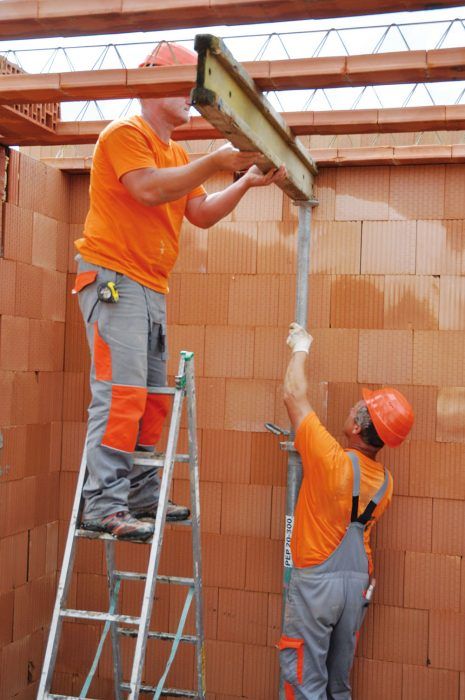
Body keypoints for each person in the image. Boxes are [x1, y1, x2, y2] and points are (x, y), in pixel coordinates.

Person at [72, 41, 286, 541]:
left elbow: (202, 213)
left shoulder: (175, 152)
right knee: (121, 392)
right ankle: (102, 502)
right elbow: (148, 189)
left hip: (147, 286)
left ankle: (141, 493)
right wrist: (215, 162)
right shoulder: (125, 134)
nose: (193, 96)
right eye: (185, 84)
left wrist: (245, 182)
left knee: (152, 399)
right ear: (152, 85)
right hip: (113, 279)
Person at [278, 322, 414, 699]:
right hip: (356, 586)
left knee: (304, 678)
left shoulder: (330, 461)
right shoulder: (385, 483)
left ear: (356, 426)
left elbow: (293, 394)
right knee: (338, 683)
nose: (352, 408)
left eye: (357, 407)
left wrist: (300, 347)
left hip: (317, 586)